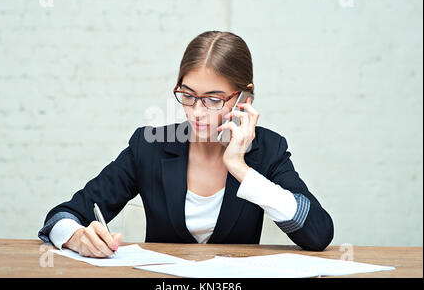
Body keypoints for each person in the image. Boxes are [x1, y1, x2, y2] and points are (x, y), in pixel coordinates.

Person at [38, 31, 333, 257]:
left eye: (213, 100)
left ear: (245, 97)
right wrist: (76, 237)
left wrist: (240, 168)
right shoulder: (150, 146)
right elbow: (62, 216)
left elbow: (318, 234)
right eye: (188, 95)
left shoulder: (267, 150)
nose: (197, 111)